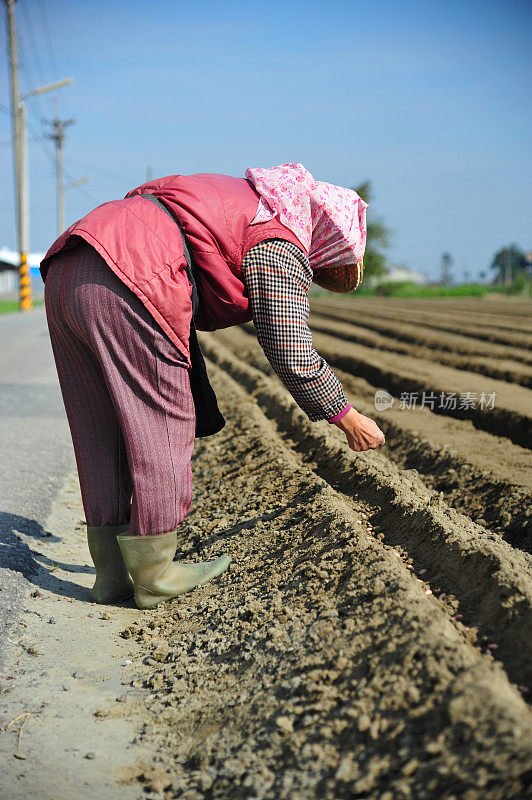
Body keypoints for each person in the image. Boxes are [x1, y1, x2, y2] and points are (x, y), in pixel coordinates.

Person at [41, 162, 386, 610]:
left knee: (97, 423)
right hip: (133, 275)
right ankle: (155, 573)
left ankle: (109, 575)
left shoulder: (246, 198)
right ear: (327, 239)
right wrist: (347, 415)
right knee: (163, 419)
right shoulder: (279, 236)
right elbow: (290, 346)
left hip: (71, 264)